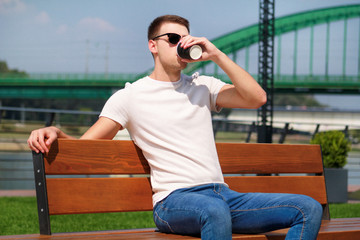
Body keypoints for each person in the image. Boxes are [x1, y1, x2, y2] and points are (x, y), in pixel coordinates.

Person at [28, 15, 322, 240]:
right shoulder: (130, 96)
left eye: (186, 39)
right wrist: (55, 132)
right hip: (174, 202)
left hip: (223, 195)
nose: (182, 44)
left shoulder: (202, 86)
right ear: (152, 45)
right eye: (173, 38)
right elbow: (87, 147)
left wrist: (216, 54)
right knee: (214, 212)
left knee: (307, 208)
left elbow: (257, 98)